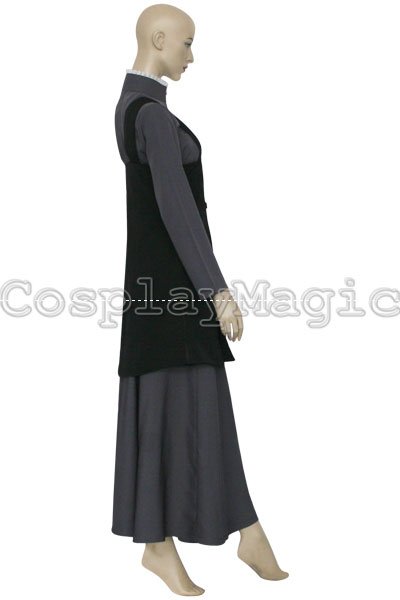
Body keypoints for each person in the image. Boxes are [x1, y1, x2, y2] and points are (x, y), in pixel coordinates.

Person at [111, 4, 289, 595]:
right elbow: (178, 210)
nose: (192, 55)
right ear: (159, 39)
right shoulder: (150, 116)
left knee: (189, 410)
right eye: (187, 43)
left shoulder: (135, 108)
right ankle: (173, 544)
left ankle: (234, 534)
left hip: (160, 291)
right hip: (174, 294)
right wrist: (218, 292)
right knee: (191, 409)